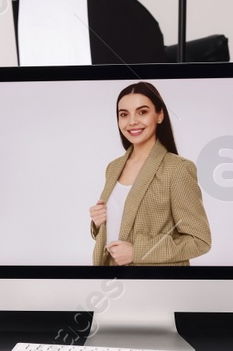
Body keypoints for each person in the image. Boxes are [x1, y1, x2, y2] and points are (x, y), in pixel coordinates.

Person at [88, 81, 212, 267]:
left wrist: (137, 252)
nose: (132, 121)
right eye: (124, 114)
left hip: (157, 285)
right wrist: (98, 224)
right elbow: (121, 228)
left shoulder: (177, 169)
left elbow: (199, 241)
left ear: (160, 115)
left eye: (142, 112)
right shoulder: (113, 168)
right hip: (111, 279)